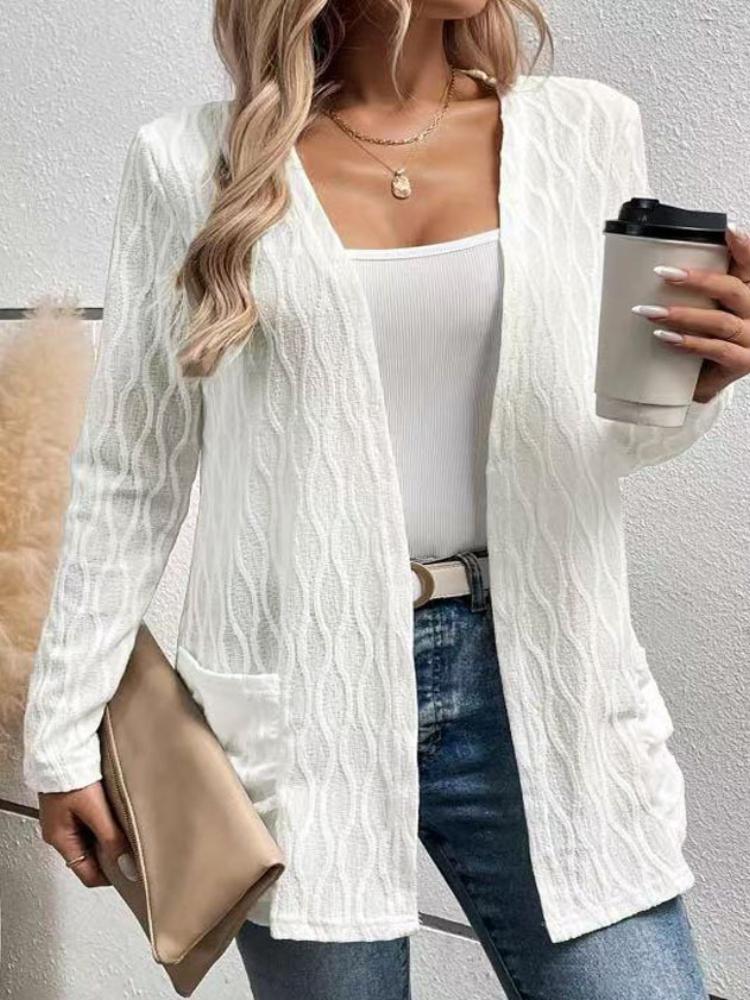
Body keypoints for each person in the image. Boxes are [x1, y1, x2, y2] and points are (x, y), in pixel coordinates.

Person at [23, 1, 750, 997]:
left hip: (543, 672)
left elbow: (616, 437)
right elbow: (130, 470)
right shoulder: (187, 162)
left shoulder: (587, 128)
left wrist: (695, 387)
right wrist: (62, 738)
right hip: (302, 688)